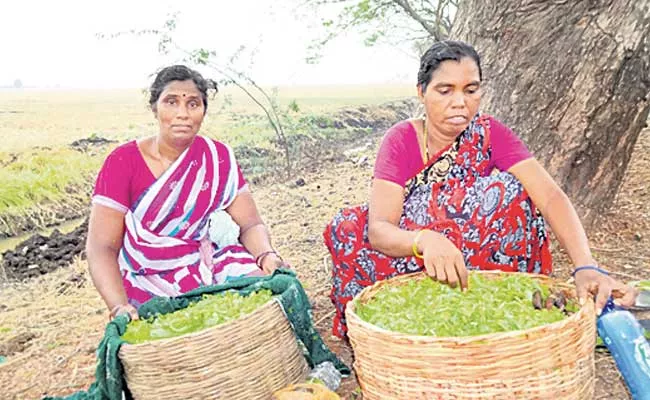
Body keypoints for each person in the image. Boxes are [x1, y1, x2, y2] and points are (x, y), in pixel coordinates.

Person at [324, 40, 638, 338]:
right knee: (349, 228)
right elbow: (379, 230)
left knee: (509, 189)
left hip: (477, 264)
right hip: (412, 259)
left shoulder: (490, 134)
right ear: (421, 92)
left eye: (470, 90)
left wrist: (585, 265)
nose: (459, 102)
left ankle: (483, 299)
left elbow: (550, 196)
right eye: (444, 90)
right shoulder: (401, 140)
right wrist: (426, 240)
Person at [87, 65, 288, 320]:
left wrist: (266, 255)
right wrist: (118, 306)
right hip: (145, 275)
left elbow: (250, 223)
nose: (182, 114)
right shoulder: (122, 162)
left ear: (203, 111)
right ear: (155, 108)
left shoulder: (218, 158)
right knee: (165, 326)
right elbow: (101, 247)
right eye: (171, 102)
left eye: (193, 104)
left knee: (269, 293)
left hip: (203, 262)